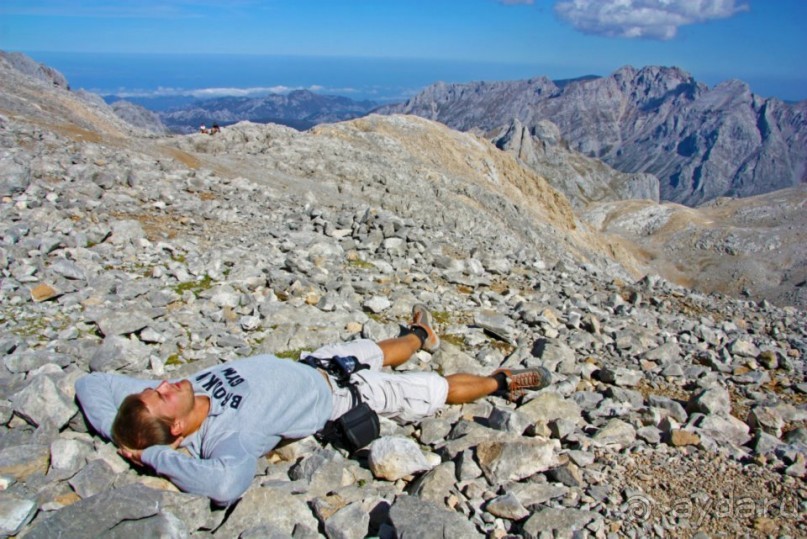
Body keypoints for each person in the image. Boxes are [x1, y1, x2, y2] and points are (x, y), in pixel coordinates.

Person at [75, 305, 550, 506]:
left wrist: (124, 438)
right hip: (347, 397)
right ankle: (500, 382)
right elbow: (225, 484)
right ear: (177, 428)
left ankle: (419, 334)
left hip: (320, 362)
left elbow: (93, 383)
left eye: (154, 388)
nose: (161, 383)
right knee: (435, 389)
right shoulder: (227, 437)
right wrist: (155, 458)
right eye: (160, 395)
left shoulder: (179, 394)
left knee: (384, 349)